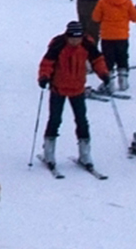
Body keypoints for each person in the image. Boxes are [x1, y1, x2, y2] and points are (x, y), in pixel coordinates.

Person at [35, 22, 104, 171]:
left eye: (77, 39)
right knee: (55, 119)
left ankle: (85, 153)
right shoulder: (58, 46)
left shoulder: (86, 45)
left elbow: (97, 60)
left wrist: (103, 74)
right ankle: (49, 152)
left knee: (82, 121)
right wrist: (44, 77)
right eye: (72, 39)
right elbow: (46, 63)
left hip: (78, 89)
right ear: (67, 36)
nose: (75, 41)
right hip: (58, 88)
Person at [93, 0, 136, 82]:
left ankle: (109, 81)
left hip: (107, 36)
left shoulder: (102, 0)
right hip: (122, 36)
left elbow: (95, 18)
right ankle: (123, 81)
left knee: (108, 59)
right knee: (122, 57)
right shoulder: (126, 1)